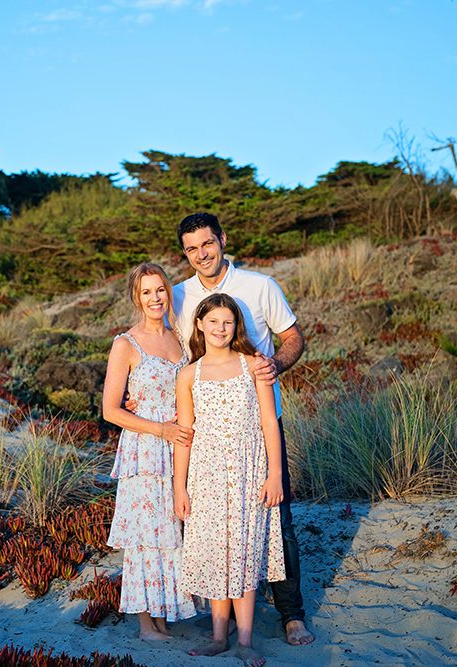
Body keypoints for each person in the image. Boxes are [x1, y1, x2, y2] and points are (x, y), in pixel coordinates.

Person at [171, 212, 314, 647]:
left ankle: (290, 613)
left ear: (222, 240)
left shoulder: (259, 286)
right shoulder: (180, 297)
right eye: (192, 248)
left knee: (276, 516)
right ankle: (226, 614)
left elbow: (294, 338)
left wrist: (275, 365)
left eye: (207, 244)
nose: (201, 254)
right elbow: (173, 355)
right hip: (209, 437)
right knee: (214, 524)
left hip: (260, 427)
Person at [174, 293, 286, 667]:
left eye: (228, 322)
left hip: (248, 472)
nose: (221, 329)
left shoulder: (254, 366)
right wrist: (180, 487)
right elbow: (185, 433)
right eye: (214, 321)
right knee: (216, 553)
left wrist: (275, 474)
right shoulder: (189, 374)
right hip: (206, 476)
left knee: (245, 551)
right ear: (200, 325)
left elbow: (270, 422)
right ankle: (218, 637)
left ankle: (246, 640)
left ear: (236, 326)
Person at [102, 263, 197, 640]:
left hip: (180, 445)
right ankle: (145, 623)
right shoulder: (126, 344)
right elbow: (111, 410)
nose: (155, 298)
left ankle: (164, 612)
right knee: (145, 533)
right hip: (145, 448)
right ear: (136, 298)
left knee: (172, 528)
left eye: (160, 289)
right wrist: (160, 429)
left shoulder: (181, 339)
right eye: (146, 292)